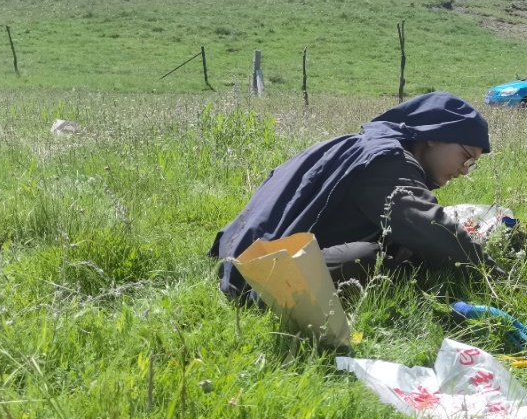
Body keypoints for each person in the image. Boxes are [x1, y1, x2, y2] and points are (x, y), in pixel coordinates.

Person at [209, 91, 501, 299]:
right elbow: (430, 229)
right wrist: (495, 278)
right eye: (466, 156)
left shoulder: (369, 147)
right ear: (433, 135)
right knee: (368, 258)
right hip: (260, 275)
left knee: (395, 249)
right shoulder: (387, 162)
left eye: (472, 164)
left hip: (240, 251)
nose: (465, 170)